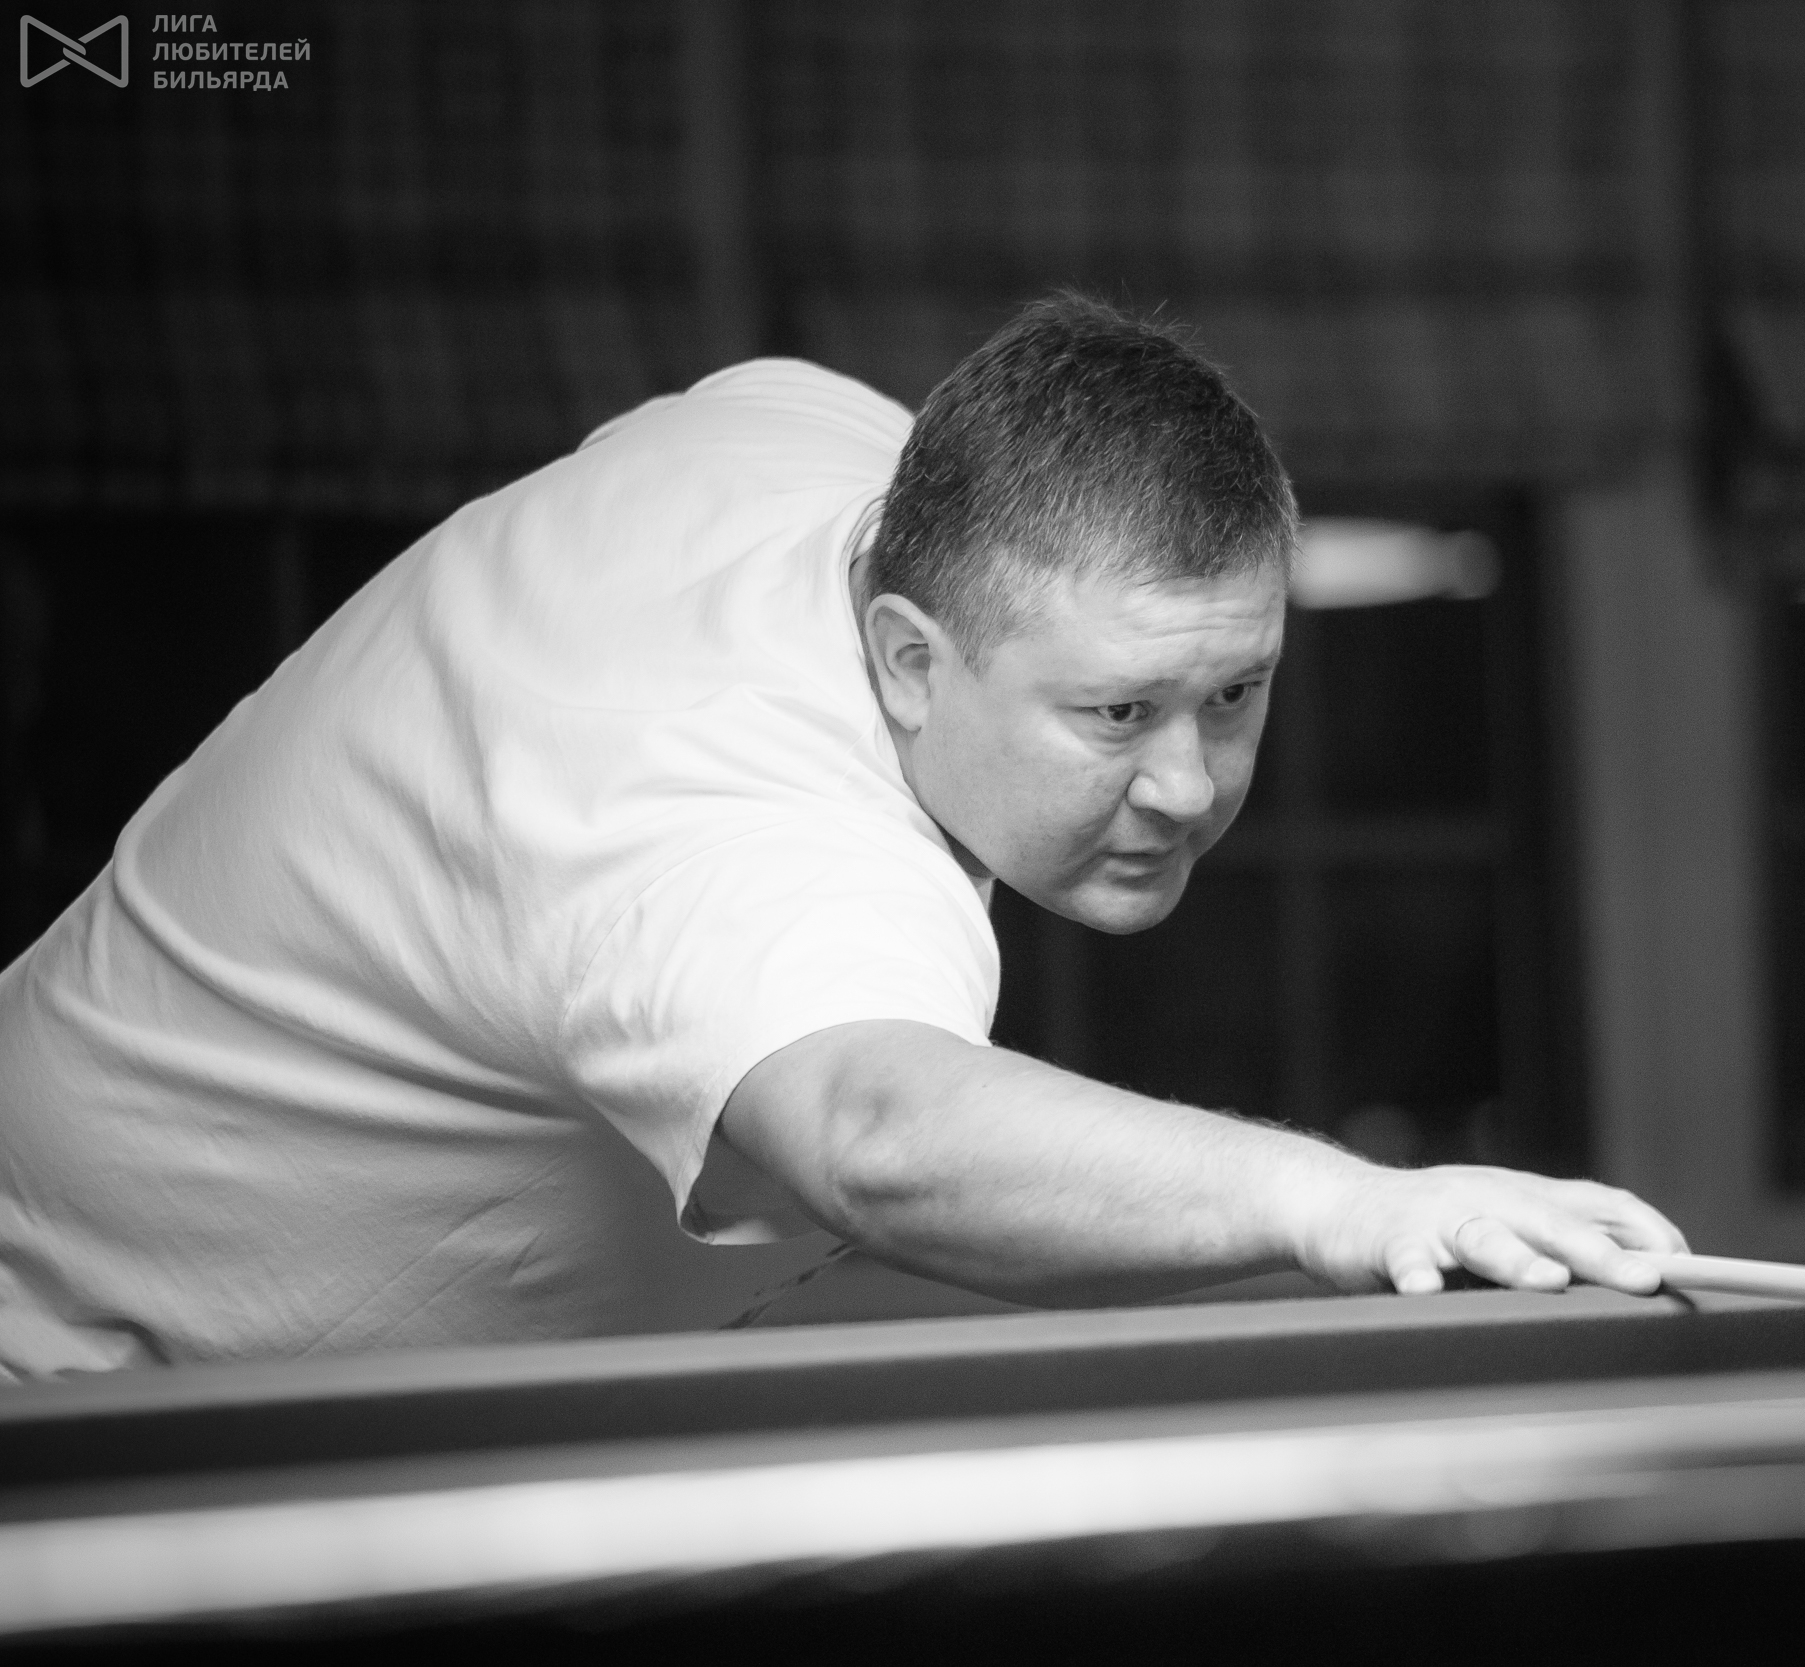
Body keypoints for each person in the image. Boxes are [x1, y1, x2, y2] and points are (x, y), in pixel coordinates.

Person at [0, 296, 1682, 1377]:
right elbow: (879, 1137)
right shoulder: (728, 826)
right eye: (1117, 714)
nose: (1187, 785)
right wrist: (1351, 1205)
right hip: (61, 1382)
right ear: (907, 656)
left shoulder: (818, 436)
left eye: (1233, 692)